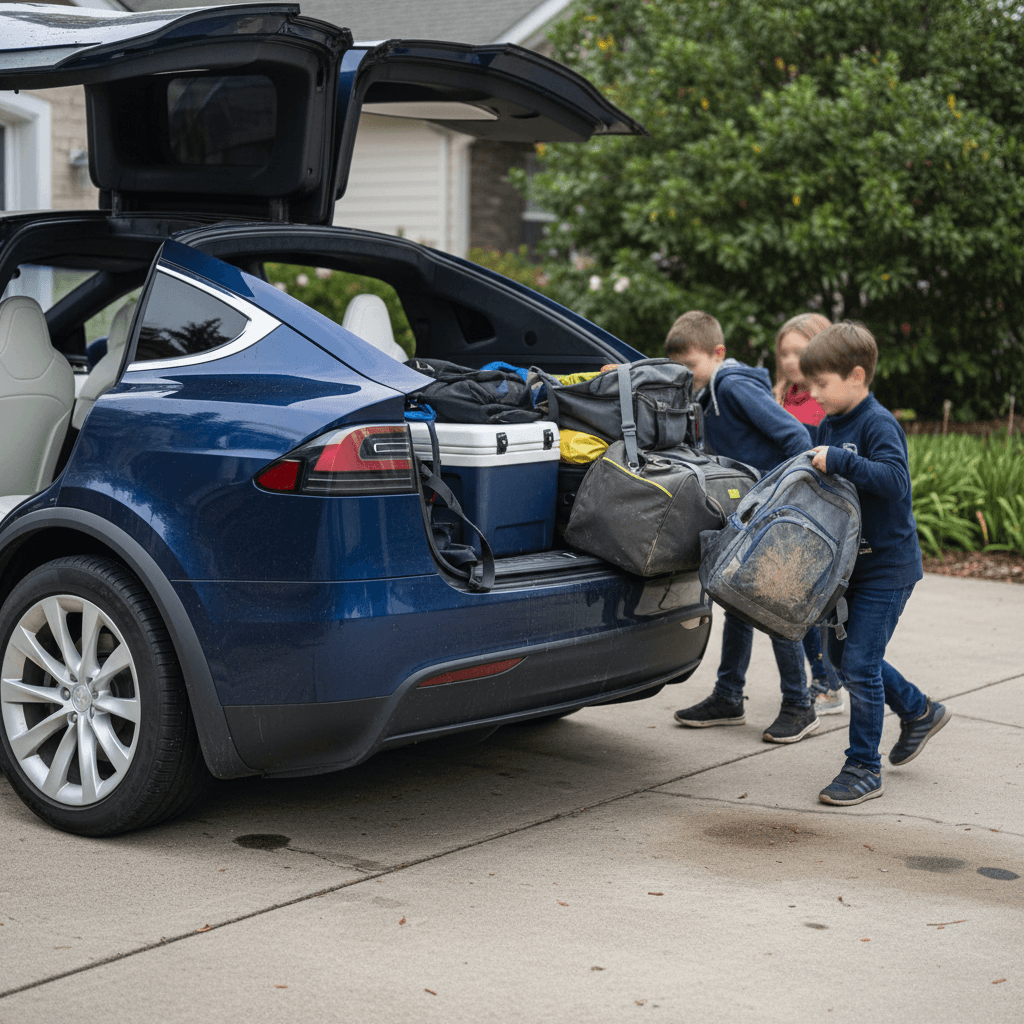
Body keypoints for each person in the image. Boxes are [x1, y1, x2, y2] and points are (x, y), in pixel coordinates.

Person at [801, 321, 951, 805]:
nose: (813, 394)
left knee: (860, 663)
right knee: (842, 659)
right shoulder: (830, 424)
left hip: (887, 567)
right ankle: (919, 710)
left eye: (821, 384)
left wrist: (840, 461)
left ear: (857, 376)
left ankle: (863, 766)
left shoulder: (877, 423)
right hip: (849, 568)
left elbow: (894, 480)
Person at [667, 310, 819, 743]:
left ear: (718, 353)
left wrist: (777, 496)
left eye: (690, 366)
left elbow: (797, 437)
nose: (685, 376)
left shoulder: (731, 386)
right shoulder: (706, 392)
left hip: (772, 512)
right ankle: (728, 696)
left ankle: (800, 704)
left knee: (772, 602)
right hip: (746, 514)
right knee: (737, 603)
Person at [773, 313, 845, 716]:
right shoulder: (781, 396)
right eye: (783, 353)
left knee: (814, 605)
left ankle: (828, 682)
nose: (789, 361)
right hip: (788, 512)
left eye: (798, 352)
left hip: (817, 514)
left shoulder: (827, 404)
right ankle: (821, 678)